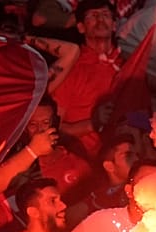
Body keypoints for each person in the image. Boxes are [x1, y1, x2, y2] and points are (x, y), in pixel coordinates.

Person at [51, 0, 122, 157]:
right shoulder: (71, 68)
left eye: (105, 15)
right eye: (93, 15)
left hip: (123, 155)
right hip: (83, 159)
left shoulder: (126, 63)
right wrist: (92, 124)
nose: (100, 20)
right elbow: (54, 128)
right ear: (81, 27)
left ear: (114, 25)